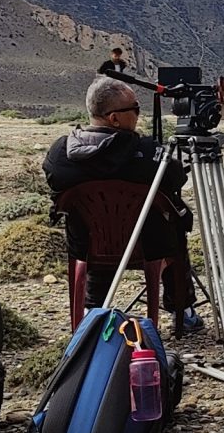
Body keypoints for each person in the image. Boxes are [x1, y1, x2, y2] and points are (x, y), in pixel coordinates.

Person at [45, 76, 200, 335]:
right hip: (149, 245)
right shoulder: (146, 153)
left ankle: (93, 311)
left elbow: (54, 181)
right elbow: (176, 178)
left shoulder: (61, 153)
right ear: (114, 118)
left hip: (88, 246)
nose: (139, 114)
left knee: (98, 227)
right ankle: (182, 311)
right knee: (173, 226)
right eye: (135, 108)